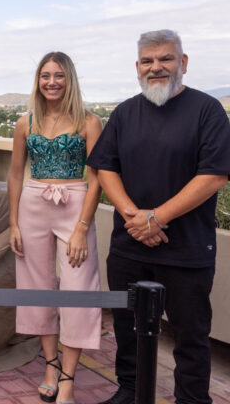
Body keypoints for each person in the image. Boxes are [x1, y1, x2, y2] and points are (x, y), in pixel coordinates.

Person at [87, 30, 230, 404]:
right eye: (148, 61)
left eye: (165, 59)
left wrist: (156, 218)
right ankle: (131, 389)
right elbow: (105, 168)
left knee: (190, 335)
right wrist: (135, 217)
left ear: (182, 63)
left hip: (187, 250)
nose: (157, 67)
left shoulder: (207, 110)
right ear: (137, 67)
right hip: (129, 246)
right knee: (127, 327)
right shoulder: (124, 112)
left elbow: (214, 175)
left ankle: (192, 399)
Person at [7, 52, 103, 404]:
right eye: (45, 75)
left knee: (78, 292)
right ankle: (50, 365)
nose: (51, 82)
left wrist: (82, 227)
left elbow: (96, 181)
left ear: (69, 79)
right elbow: (16, 173)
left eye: (58, 75)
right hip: (32, 204)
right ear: (38, 80)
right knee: (36, 288)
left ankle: (68, 377)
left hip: (74, 205)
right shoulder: (25, 122)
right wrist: (13, 223)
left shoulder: (89, 122)